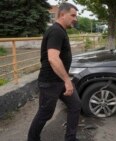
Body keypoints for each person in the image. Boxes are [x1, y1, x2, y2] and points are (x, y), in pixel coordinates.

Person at [27, 3, 81, 141]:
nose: (75, 19)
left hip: (60, 81)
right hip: (50, 82)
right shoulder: (56, 31)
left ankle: (70, 138)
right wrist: (67, 81)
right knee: (45, 113)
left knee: (75, 105)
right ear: (62, 14)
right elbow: (53, 58)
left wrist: (65, 80)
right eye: (73, 15)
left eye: (76, 16)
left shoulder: (61, 31)